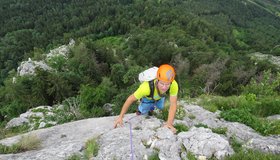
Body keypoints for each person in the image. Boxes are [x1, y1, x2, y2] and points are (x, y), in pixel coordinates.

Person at [113, 64, 179, 133]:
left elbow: (173, 104)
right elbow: (130, 99)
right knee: (143, 111)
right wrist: (120, 117)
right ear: (157, 80)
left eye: (167, 84)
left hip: (159, 97)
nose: (164, 87)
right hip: (149, 98)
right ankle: (141, 107)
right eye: (162, 84)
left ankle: (152, 107)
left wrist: (169, 123)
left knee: (161, 107)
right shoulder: (146, 87)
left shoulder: (173, 85)